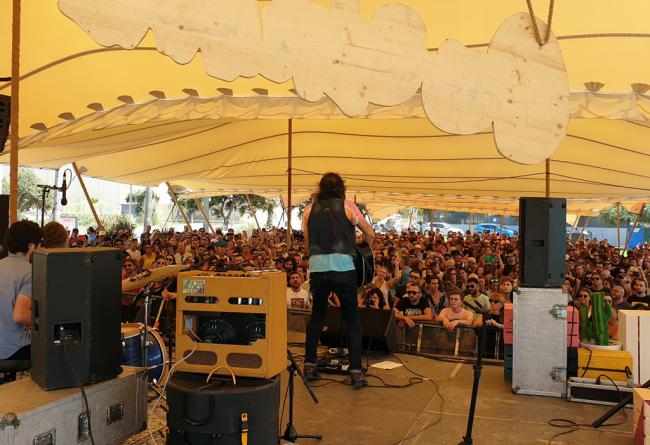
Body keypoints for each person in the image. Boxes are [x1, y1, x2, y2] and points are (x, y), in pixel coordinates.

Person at [302, 172, 375, 389]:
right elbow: (370, 234)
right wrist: (358, 242)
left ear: (321, 188)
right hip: (344, 269)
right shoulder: (348, 205)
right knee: (352, 318)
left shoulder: (308, 209)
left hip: (318, 269)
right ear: (341, 187)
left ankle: (310, 365)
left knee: (317, 316)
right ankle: (355, 373)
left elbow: (307, 243)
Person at [0, 221, 43, 374]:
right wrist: (44, 323)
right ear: (32, 246)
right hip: (9, 350)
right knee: (57, 343)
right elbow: (20, 315)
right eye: (40, 243)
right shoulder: (30, 271)